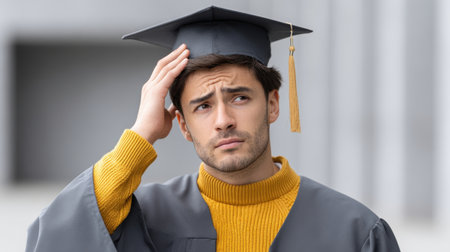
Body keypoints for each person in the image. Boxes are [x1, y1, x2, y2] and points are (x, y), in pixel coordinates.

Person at [26, 6, 400, 252]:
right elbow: (53, 242)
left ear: (272, 104)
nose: (223, 119)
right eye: (202, 106)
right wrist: (140, 135)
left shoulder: (355, 231)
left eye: (239, 98)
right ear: (183, 127)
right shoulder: (144, 219)